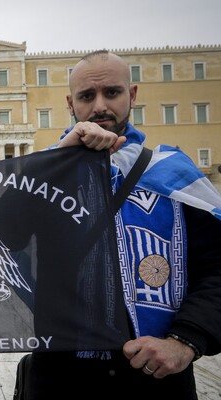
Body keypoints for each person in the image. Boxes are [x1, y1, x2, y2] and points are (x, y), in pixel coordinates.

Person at [18, 50, 221, 399]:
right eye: (86, 96)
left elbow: (217, 269)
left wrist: (186, 341)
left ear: (133, 95)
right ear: (70, 103)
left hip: (153, 377)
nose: (99, 106)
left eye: (111, 92)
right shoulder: (42, 174)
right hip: (61, 379)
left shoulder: (174, 175)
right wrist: (59, 164)